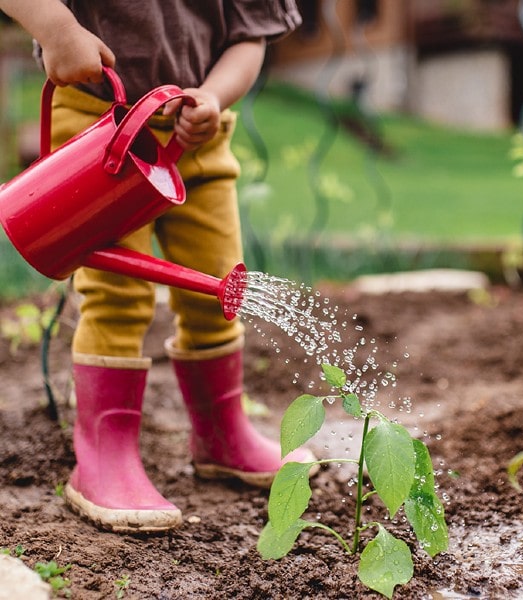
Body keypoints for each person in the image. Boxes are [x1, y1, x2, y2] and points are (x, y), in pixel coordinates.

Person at [1, 0, 315, 533]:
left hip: (198, 135)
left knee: (217, 288)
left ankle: (222, 433)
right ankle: (104, 453)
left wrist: (213, 96)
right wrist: (57, 28)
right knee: (118, 295)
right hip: (99, 126)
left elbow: (249, 36)